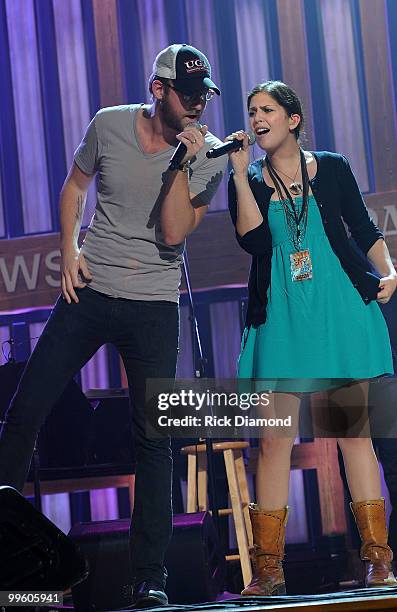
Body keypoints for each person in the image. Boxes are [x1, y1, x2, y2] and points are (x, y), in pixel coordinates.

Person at [0, 44, 226, 609]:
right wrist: (67, 248)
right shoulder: (108, 125)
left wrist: (184, 160)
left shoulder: (209, 155)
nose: (198, 104)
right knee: (25, 412)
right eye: (188, 93)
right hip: (91, 291)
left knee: (154, 440)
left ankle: (149, 576)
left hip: (153, 305)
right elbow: (75, 188)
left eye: (204, 95)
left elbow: (174, 233)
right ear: (158, 90)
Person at [227, 80, 397, 596]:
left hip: (338, 310)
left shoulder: (334, 166)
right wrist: (236, 173)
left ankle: (376, 560)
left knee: (353, 435)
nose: (258, 118)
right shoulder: (251, 178)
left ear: (293, 119)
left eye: (268, 110)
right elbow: (254, 241)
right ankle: (269, 570)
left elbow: (363, 230)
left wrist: (388, 271)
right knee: (274, 440)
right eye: (253, 111)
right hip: (281, 316)